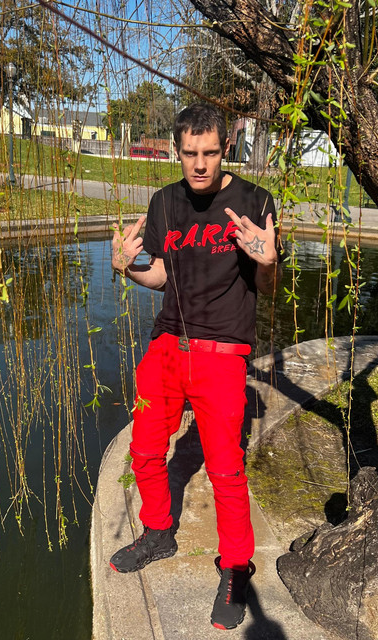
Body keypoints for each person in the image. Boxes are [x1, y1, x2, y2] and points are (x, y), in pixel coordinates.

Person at [109, 103, 282, 630]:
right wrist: (126, 268)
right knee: (144, 451)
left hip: (222, 355)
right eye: (189, 154)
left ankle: (236, 567)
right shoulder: (165, 202)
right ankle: (158, 532)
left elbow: (268, 288)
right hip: (165, 348)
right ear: (176, 150)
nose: (200, 165)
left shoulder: (253, 202)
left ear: (225, 148)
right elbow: (162, 274)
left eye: (209, 153)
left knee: (226, 469)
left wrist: (268, 262)